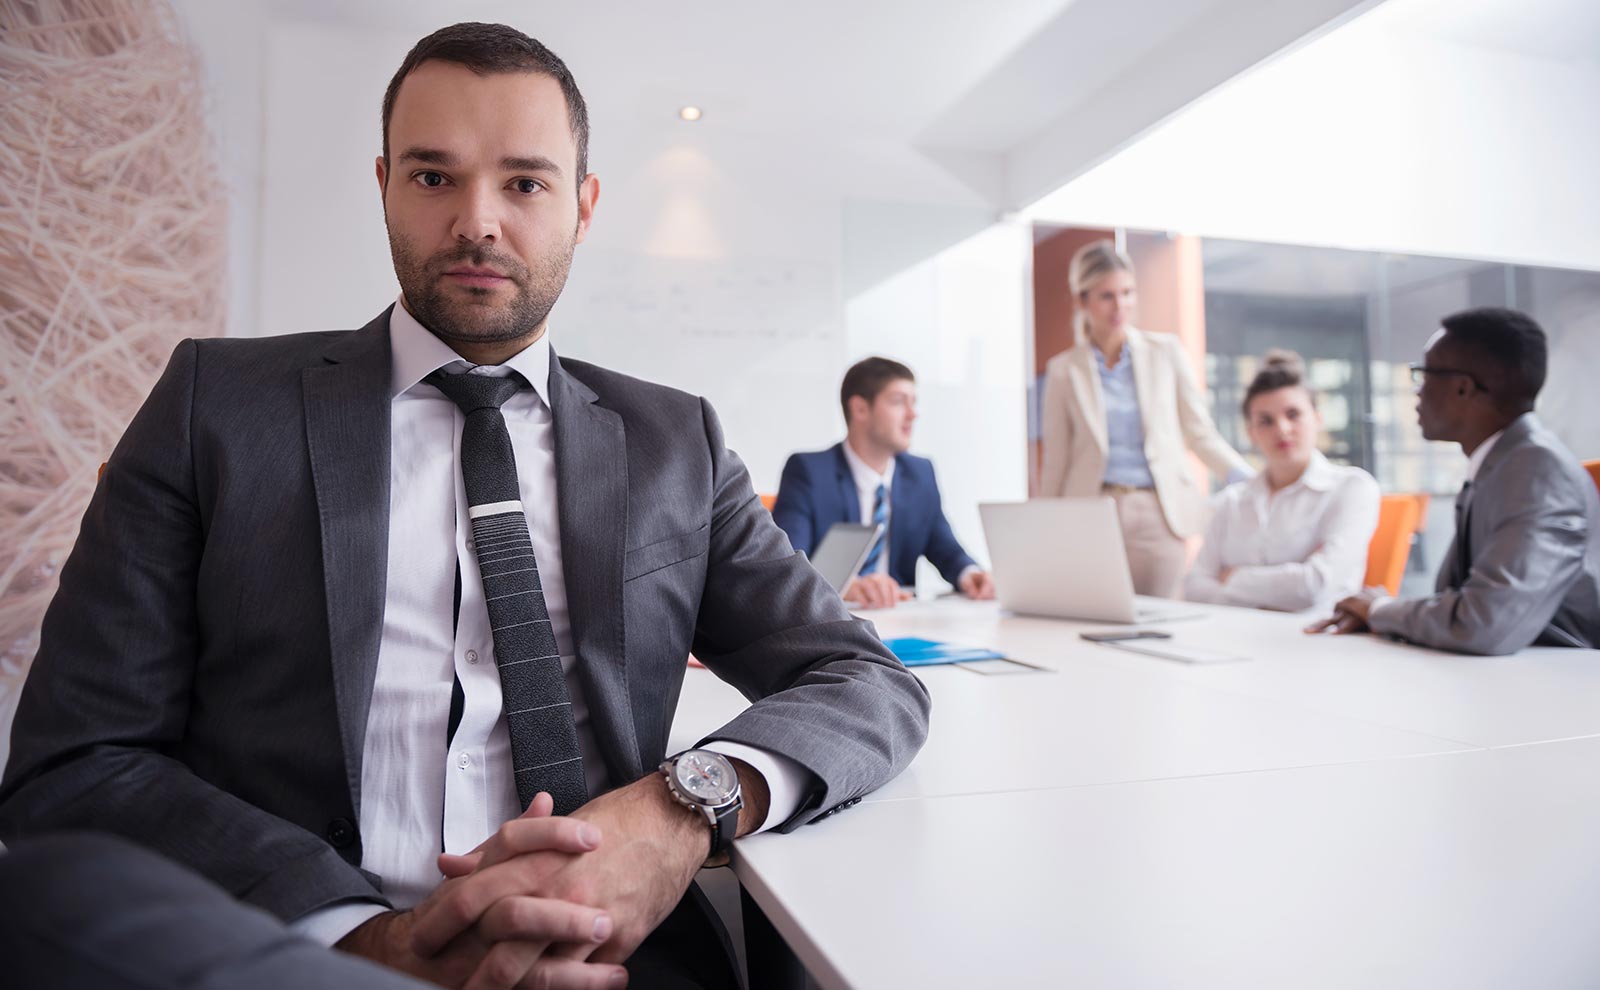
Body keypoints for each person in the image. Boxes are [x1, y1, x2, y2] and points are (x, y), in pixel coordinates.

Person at [0, 23, 930, 990]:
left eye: (525, 182)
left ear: (584, 204)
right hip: (290, 954)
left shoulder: (673, 442)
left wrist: (679, 809)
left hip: (617, 960)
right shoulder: (215, 406)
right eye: (434, 177)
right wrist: (359, 938)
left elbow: (865, 683)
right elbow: (77, 764)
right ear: (385, 186)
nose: (478, 221)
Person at [1307, 307, 1600, 655]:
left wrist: (1381, 609)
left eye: (1424, 374)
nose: (1416, 392)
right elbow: (1461, 600)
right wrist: (1384, 614)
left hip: (1563, 684)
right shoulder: (1501, 463)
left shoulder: (1538, 472)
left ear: (1463, 388)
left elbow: (1482, 623)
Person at [1039, 239, 1249, 598]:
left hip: (1158, 510)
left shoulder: (1165, 352)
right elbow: (1056, 461)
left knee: (1160, 623)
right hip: (1091, 511)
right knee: (1092, 621)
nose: (1120, 306)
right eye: (1106, 296)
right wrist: (1045, 532)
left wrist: (1246, 478)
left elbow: (1199, 432)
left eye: (1127, 292)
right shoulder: (1063, 371)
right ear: (1082, 300)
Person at [770, 356, 995, 610]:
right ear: (860, 409)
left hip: (900, 618)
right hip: (834, 620)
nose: (912, 414)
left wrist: (970, 574)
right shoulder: (809, 471)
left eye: (914, 403)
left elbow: (946, 550)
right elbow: (787, 562)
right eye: (899, 401)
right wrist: (845, 586)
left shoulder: (919, 473)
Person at [1185, 350, 1379, 612]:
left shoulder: (1353, 488)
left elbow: (1314, 586)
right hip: (1235, 636)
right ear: (1251, 433)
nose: (1282, 429)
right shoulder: (1232, 501)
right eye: (1265, 421)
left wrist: (1232, 577)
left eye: (1293, 414)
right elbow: (1195, 588)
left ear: (1318, 418)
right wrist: (1285, 583)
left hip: (1315, 641)